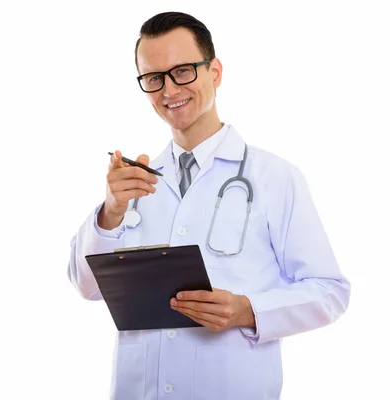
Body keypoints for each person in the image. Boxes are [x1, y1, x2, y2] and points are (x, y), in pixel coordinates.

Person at [67, 11, 350, 400]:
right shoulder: (132, 181)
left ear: (214, 71)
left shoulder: (274, 177)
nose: (168, 90)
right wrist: (111, 210)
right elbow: (86, 286)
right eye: (154, 78)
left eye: (182, 70)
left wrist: (248, 310)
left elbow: (330, 292)